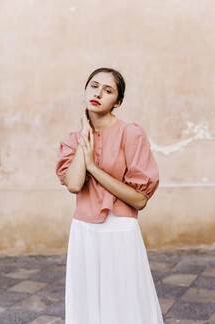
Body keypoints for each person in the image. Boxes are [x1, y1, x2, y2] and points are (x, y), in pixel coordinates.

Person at [55, 67, 164, 324]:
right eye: (93, 86)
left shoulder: (131, 134)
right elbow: (73, 184)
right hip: (84, 231)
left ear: (118, 102)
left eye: (108, 90)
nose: (98, 93)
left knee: (124, 306)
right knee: (88, 305)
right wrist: (85, 134)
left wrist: (93, 167)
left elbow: (139, 200)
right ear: (85, 90)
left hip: (121, 230)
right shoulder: (73, 140)